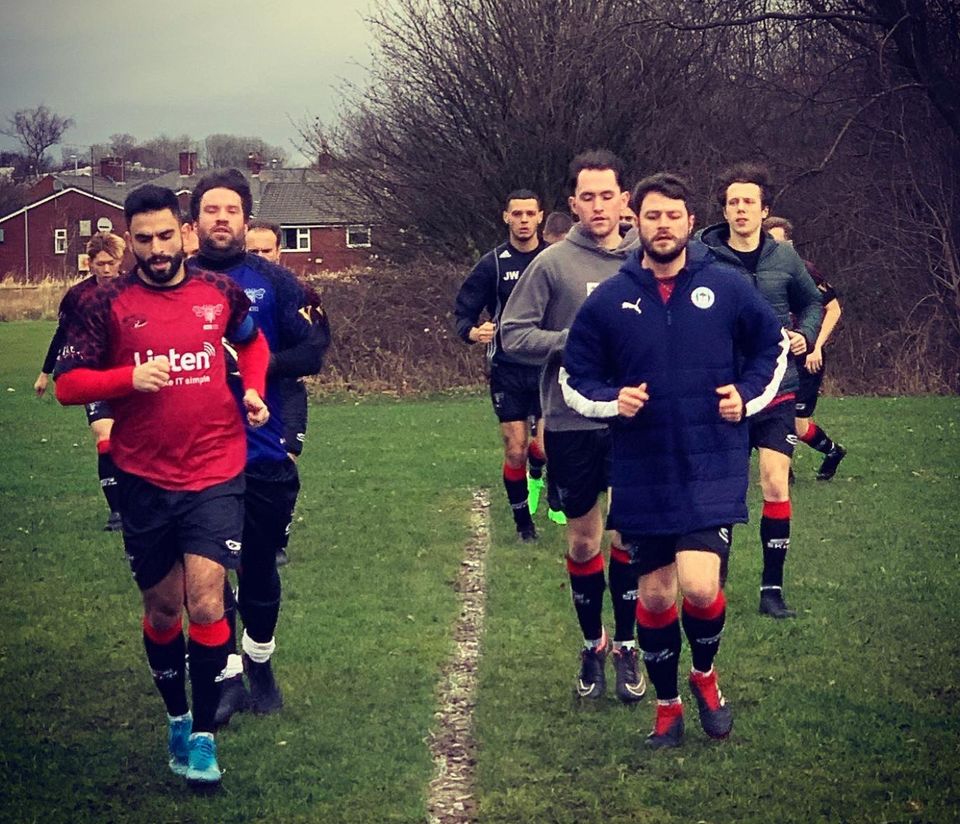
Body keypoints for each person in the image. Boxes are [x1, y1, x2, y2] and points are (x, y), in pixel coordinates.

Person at [54, 184, 270, 788]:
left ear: (186, 234)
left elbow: (253, 344)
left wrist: (251, 390)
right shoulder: (105, 303)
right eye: (143, 240)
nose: (156, 249)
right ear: (131, 241)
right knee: (163, 608)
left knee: (206, 600)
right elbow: (71, 385)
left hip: (216, 469)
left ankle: (203, 736)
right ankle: (176, 716)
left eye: (166, 236)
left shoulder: (218, 291)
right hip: (143, 474)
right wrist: (128, 377)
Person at [561, 172, 789, 747]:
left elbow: (773, 346)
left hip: (710, 459)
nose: (662, 225)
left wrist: (748, 394)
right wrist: (613, 402)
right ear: (635, 222)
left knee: (700, 587)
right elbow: (574, 374)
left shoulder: (728, 287)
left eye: (673, 216)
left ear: (690, 222)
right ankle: (667, 709)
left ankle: (705, 676)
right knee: (657, 597)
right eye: (652, 216)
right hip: (643, 468)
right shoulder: (612, 297)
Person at [500, 150, 646, 703]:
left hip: (636, 421)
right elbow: (512, 335)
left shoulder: (646, 260)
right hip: (572, 420)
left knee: (629, 537)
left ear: (624, 198)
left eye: (608, 195)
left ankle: (629, 646)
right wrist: (571, 341)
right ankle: (593, 643)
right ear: (572, 204)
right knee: (585, 542)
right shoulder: (553, 264)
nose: (599, 206)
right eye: (587, 197)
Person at [185, 169, 329, 728]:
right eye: (211, 210)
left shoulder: (277, 283)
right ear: (193, 221)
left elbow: (313, 350)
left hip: (263, 450)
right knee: (208, 572)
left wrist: (248, 370)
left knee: (259, 568)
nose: (221, 219)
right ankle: (225, 675)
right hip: (197, 454)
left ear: (246, 220)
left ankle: (260, 661)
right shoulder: (176, 282)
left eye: (231, 211)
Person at [698, 163, 823, 619]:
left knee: (773, 482)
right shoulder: (703, 255)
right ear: (724, 210)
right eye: (733, 201)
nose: (741, 209)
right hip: (723, 391)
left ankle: (772, 589)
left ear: (765, 210)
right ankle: (717, 584)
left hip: (778, 387)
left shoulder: (785, 258)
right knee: (725, 491)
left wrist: (805, 334)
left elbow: (813, 301)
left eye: (749, 201)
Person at [454, 190, 548, 542]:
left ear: (540, 216)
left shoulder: (553, 259)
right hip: (507, 368)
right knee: (515, 447)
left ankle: (540, 468)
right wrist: (472, 332)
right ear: (506, 217)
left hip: (547, 367)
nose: (523, 220)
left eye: (530, 214)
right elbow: (463, 311)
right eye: (517, 214)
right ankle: (524, 524)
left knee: (544, 445)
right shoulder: (492, 263)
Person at [244, 218, 326, 565]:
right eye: (253, 251)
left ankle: (277, 539)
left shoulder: (300, 293)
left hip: (284, 390)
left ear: (279, 252)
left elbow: (314, 351)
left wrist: (265, 363)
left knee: (284, 460)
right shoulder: (223, 290)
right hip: (238, 395)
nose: (261, 256)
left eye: (267, 250)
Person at [35, 231, 126, 531]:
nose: (106, 269)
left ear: (120, 261)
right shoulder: (77, 297)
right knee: (105, 437)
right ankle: (117, 511)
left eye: (111, 263)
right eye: (100, 263)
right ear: (90, 263)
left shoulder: (132, 290)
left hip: (129, 375)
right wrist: (45, 372)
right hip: (92, 376)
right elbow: (62, 335)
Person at [763, 216, 847, 480]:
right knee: (766, 414)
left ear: (789, 243)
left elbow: (833, 309)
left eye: (778, 241)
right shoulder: (760, 272)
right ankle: (783, 470)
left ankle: (833, 452)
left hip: (806, 356)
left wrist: (816, 347)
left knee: (798, 425)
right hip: (777, 357)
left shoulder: (806, 271)